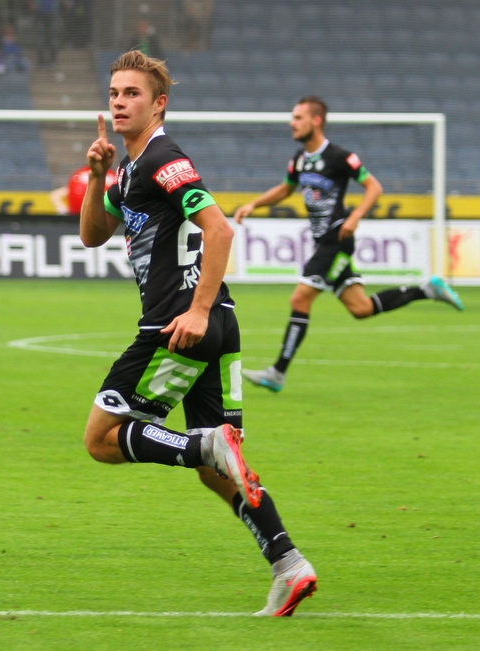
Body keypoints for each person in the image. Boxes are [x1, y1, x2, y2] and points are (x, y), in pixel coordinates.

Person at [80, 50, 317, 617]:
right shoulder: (129, 169)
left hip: (181, 324)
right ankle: (290, 565)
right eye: (114, 92)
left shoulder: (164, 158)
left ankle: (202, 443)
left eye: (132, 93)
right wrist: (94, 176)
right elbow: (93, 235)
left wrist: (197, 310)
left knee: (101, 439)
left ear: (158, 104)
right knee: (220, 474)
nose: (119, 100)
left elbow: (220, 228)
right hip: (213, 326)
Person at [234, 97, 464, 393]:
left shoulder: (341, 156)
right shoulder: (300, 159)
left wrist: (355, 216)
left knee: (299, 300)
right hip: (324, 244)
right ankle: (428, 289)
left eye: (298, 117)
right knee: (361, 307)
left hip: (336, 240)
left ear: (316, 121)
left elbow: (374, 187)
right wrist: (254, 204)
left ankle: (277, 373)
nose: (292, 123)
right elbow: (286, 188)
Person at [48, 163, 116, 215]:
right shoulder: (111, 177)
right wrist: (64, 212)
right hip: (83, 217)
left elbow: (55, 195)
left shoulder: (80, 175)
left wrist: (64, 213)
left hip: (79, 219)